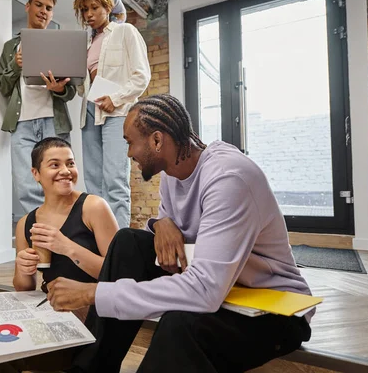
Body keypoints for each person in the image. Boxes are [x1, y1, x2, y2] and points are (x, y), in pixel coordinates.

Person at [46, 94, 314, 373]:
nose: (128, 153)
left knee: (179, 322)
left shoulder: (229, 177)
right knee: (128, 242)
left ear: (157, 141)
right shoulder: (173, 173)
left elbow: (204, 290)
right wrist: (162, 222)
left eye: (130, 142)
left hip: (276, 309)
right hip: (227, 293)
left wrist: (94, 293)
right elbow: (174, 226)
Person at [0, 138, 119, 373]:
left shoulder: (93, 207)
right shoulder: (27, 222)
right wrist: (23, 269)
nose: (66, 171)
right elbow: (25, 287)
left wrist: (67, 247)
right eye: (55, 165)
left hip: (88, 311)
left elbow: (118, 274)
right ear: (36, 173)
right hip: (48, 306)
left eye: (70, 163)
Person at [73, 0, 151, 228]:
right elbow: (83, 87)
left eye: (95, 7)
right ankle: (100, 240)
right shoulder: (86, 44)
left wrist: (116, 98)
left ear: (108, 6)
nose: (89, 14)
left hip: (116, 112)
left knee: (115, 180)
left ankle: (119, 246)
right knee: (93, 183)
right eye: (84, 10)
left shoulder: (125, 32)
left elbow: (141, 76)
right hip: (89, 112)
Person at [0, 0, 77, 216]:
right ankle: (37, 243)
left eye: (49, 8)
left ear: (52, 14)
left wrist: (59, 89)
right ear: (28, 6)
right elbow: (2, 86)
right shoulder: (11, 47)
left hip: (55, 123)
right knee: (27, 186)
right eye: (39, 5)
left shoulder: (62, 44)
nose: (43, 11)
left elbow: (71, 91)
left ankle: (60, 240)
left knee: (60, 184)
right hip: (22, 124)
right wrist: (16, 65)